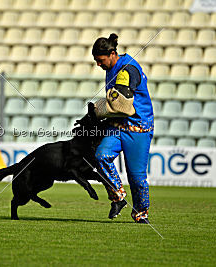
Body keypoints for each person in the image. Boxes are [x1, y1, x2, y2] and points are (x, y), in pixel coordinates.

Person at [91, 33, 154, 223]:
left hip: (138, 128)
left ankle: (141, 213)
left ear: (112, 54)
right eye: (96, 61)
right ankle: (118, 197)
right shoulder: (110, 68)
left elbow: (121, 104)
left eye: (100, 60)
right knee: (101, 156)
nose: (98, 65)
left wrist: (99, 109)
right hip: (118, 126)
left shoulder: (128, 68)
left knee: (136, 177)